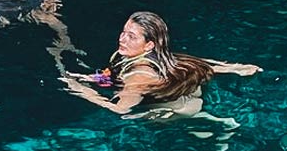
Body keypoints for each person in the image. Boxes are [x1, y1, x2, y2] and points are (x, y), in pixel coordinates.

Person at [61, 11, 261, 117]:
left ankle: (213, 122)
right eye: (123, 32)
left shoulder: (138, 76)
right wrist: (235, 68)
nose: (123, 39)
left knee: (139, 118)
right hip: (182, 87)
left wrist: (82, 91)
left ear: (149, 45)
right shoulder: (154, 54)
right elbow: (192, 62)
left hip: (174, 105)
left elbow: (121, 109)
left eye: (132, 36)